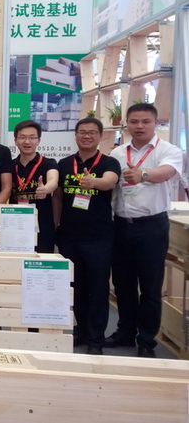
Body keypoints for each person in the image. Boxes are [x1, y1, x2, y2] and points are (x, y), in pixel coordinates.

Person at [105, 103, 183, 358]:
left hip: (152, 227)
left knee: (150, 287)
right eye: (134, 121)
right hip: (121, 225)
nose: (139, 126)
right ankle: (126, 332)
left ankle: (147, 341)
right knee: (123, 284)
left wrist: (144, 175)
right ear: (126, 124)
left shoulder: (168, 150)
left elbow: (167, 172)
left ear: (155, 123)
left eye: (145, 121)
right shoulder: (118, 153)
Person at [54, 117, 120, 355]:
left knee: (98, 288)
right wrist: (56, 225)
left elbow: (110, 182)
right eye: (82, 132)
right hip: (69, 236)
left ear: (100, 136)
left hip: (99, 237)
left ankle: (96, 339)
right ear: (75, 135)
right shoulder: (64, 164)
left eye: (92, 133)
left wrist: (94, 182)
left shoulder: (109, 162)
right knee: (76, 287)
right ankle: (81, 331)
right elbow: (58, 196)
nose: (87, 136)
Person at [9, 120, 59, 253]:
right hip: (15, 224)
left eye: (32, 137)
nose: (27, 142)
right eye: (22, 137)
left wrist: (46, 189)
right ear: (15, 141)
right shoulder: (10, 165)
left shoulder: (48, 163)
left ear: (38, 141)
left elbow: (53, 180)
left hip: (42, 226)